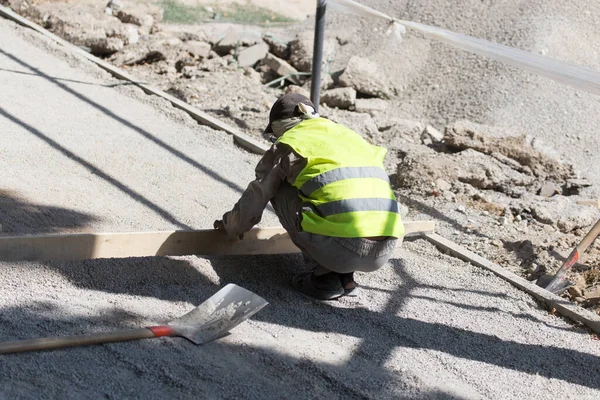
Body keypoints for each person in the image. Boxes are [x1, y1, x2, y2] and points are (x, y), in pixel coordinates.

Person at [213, 93, 404, 300]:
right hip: (385, 248)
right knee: (340, 199)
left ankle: (324, 279)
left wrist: (230, 226)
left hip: (342, 247)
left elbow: (257, 196)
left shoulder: (292, 142)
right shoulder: (346, 135)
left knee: (278, 185)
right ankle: (346, 278)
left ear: (280, 126)